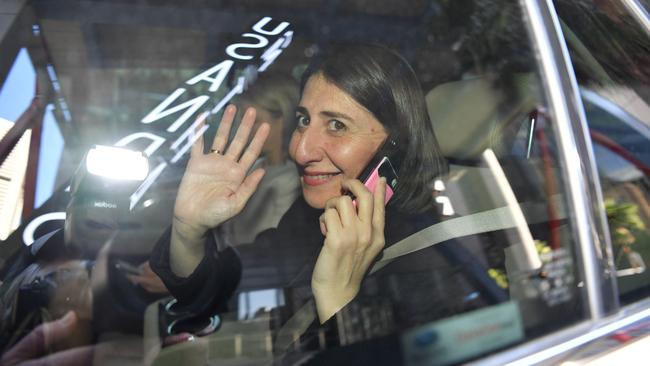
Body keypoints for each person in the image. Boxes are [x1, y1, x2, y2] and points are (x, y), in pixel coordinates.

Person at [151, 44, 496, 360]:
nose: (300, 150)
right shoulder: (313, 216)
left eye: (336, 125)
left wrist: (338, 300)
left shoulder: (435, 256)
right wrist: (188, 230)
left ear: (395, 147)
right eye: (304, 121)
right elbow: (228, 287)